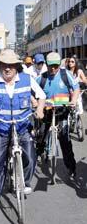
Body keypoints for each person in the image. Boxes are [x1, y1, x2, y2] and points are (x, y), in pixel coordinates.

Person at [0, 49, 46, 215]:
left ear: (17, 66)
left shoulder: (26, 79)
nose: (7, 69)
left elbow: (41, 95)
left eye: (11, 65)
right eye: (4, 65)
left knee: (30, 157)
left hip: (22, 126)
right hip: (1, 127)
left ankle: (23, 181)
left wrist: (40, 109)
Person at [36, 52, 80, 181]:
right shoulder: (42, 78)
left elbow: (76, 88)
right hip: (47, 111)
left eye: (56, 65)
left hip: (62, 111)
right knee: (41, 134)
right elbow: (32, 92)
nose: (53, 68)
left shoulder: (65, 74)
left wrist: (74, 100)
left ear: (59, 64)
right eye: (51, 66)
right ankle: (38, 154)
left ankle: (71, 168)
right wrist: (36, 104)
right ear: (47, 65)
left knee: (65, 140)